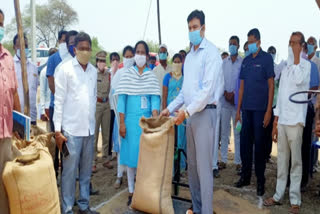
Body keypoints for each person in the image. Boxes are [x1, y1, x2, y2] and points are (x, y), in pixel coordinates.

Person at [161, 10, 223, 214]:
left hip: (205, 114)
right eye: (189, 28)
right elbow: (186, 92)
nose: (192, 31)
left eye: (195, 27)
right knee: (193, 169)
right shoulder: (190, 56)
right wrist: (168, 109)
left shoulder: (211, 53)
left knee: (204, 170)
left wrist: (184, 113)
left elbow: (206, 92)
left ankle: (205, 211)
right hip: (190, 114)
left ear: (203, 28)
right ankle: (196, 209)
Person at [263, 32, 310, 214]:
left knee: (296, 162)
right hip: (283, 121)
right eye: (289, 43)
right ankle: (277, 195)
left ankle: (295, 200)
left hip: (296, 121)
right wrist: (276, 121)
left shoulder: (305, 66)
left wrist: (297, 57)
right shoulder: (285, 67)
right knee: (282, 160)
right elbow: (281, 97)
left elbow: (300, 81)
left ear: (302, 46)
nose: (291, 46)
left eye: (295, 43)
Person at [53, 32, 99, 214]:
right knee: (69, 174)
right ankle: (67, 209)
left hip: (89, 129)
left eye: (88, 48)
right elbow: (59, 101)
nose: (86, 51)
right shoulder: (65, 70)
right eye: (82, 48)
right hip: (71, 130)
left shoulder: (94, 71)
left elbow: (93, 97)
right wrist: (58, 130)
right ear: (75, 49)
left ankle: (84, 205)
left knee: (86, 172)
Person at [115, 40, 161, 206]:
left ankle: (145, 191)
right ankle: (131, 191)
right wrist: (121, 123)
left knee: (146, 158)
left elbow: (155, 98)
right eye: (138, 52)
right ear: (134, 55)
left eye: (143, 52)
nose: (140, 55)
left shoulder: (151, 75)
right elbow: (122, 101)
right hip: (130, 122)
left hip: (146, 123)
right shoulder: (127, 74)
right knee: (130, 158)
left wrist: (155, 118)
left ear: (147, 56)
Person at [235, 28, 274, 197]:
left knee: (259, 147)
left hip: (260, 110)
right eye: (248, 41)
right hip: (246, 110)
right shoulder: (246, 61)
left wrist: (268, 112)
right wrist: (238, 110)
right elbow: (242, 87)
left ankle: (260, 181)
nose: (249, 44)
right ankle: (245, 176)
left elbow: (271, 85)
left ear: (258, 41)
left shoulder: (266, 59)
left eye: (251, 41)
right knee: (245, 145)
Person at [0, 9, 21, 214]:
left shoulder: (7, 57)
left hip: (5, 133)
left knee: (4, 180)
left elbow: (14, 92)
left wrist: (21, 123)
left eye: (1, 24)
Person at [47, 30, 76, 178]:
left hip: (69, 111)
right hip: (56, 107)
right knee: (57, 142)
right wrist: (60, 99)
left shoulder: (73, 58)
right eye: (64, 41)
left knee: (68, 143)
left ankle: (67, 173)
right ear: (59, 42)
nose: (67, 44)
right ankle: (55, 172)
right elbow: (51, 82)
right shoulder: (53, 59)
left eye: (69, 41)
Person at [111, 45, 135, 189]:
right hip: (121, 117)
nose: (128, 59)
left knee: (133, 146)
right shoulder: (119, 74)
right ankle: (120, 176)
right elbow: (114, 96)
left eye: (130, 56)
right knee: (121, 148)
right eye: (126, 56)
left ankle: (134, 176)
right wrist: (119, 116)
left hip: (133, 117)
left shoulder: (136, 73)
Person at [219, 36, 243, 173]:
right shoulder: (224, 63)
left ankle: (238, 161)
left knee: (238, 131)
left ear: (238, 46)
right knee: (224, 132)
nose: (232, 46)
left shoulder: (242, 62)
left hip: (237, 104)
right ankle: (223, 160)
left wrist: (234, 94)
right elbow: (220, 80)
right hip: (224, 102)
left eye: (234, 44)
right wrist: (225, 93)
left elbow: (243, 82)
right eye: (230, 44)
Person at [162, 53, 187, 170]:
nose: (177, 64)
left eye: (179, 62)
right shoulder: (167, 77)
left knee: (181, 138)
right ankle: (171, 167)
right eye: (175, 62)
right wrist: (164, 110)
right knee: (171, 140)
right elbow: (165, 94)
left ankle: (181, 166)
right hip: (170, 111)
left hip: (182, 112)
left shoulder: (185, 77)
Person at [300, 42, 319, 189]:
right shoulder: (291, 66)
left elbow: (314, 87)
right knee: (293, 145)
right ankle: (291, 176)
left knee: (305, 146)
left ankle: (304, 179)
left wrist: (301, 97)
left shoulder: (312, 66)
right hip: (292, 111)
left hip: (306, 108)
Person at [13, 33, 38, 124]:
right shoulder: (10, 66)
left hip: (32, 116)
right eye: (19, 46)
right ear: (14, 47)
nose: (23, 49)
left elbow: (34, 88)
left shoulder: (33, 67)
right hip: (16, 116)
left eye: (25, 46)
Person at [93, 51, 112, 171]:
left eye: (103, 61)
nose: (102, 63)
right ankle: (93, 161)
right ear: (96, 62)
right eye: (99, 60)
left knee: (106, 133)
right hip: (97, 104)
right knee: (94, 134)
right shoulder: (93, 74)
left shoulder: (108, 74)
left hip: (106, 104)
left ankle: (105, 159)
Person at [104, 52, 120, 167]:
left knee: (117, 129)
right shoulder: (107, 74)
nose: (115, 61)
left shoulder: (121, 74)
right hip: (109, 106)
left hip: (118, 106)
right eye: (113, 59)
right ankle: (109, 154)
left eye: (117, 59)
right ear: (110, 61)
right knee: (108, 130)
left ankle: (117, 150)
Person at [40, 48, 57, 131]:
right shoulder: (44, 72)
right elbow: (42, 92)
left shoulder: (60, 69)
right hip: (48, 107)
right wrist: (42, 110)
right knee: (50, 132)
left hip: (57, 105)